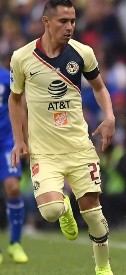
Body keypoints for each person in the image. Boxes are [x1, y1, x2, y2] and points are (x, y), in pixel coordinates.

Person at [8, 1, 114, 274]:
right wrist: (19, 139)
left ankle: (103, 269)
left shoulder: (82, 53)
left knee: (94, 216)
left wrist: (110, 116)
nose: (69, 27)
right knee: (51, 211)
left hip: (78, 147)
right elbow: (15, 99)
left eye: (73, 21)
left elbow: (99, 87)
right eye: (62, 21)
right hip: (44, 150)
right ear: (46, 21)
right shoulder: (22, 57)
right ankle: (65, 208)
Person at [0, 64, 28, 264]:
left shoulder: (6, 77)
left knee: (13, 187)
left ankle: (15, 243)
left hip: (7, 139)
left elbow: (19, 105)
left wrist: (25, 139)